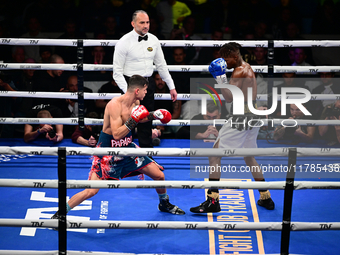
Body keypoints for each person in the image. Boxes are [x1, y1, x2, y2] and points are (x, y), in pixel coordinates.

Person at [51, 75, 184, 221]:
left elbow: (141, 117)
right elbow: (116, 134)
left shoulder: (136, 102)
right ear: (137, 90)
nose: (146, 93)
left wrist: (154, 115)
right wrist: (133, 120)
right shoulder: (114, 105)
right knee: (91, 191)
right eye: (145, 90)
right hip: (108, 152)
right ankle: (60, 214)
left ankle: (164, 203)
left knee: (159, 175)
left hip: (128, 149)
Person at [190, 43, 275, 214]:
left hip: (240, 118)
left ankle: (213, 200)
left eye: (226, 58)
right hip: (253, 116)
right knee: (249, 156)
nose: (224, 63)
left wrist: (220, 78)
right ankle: (265, 196)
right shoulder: (248, 68)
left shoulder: (238, 71)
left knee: (214, 155)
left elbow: (229, 97)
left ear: (234, 56)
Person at [113, 10, 177, 148]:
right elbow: (117, 72)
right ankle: (125, 157)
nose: (146, 25)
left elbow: (161, 65)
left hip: (147, 83)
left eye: (147, 22)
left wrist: (171, 86)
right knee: (127, 121)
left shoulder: (153, 40)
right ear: (133, 23)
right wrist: (128, 92)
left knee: (147, 120)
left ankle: (146, 157)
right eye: (142, 22)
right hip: (130, 84)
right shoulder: (124, 42)